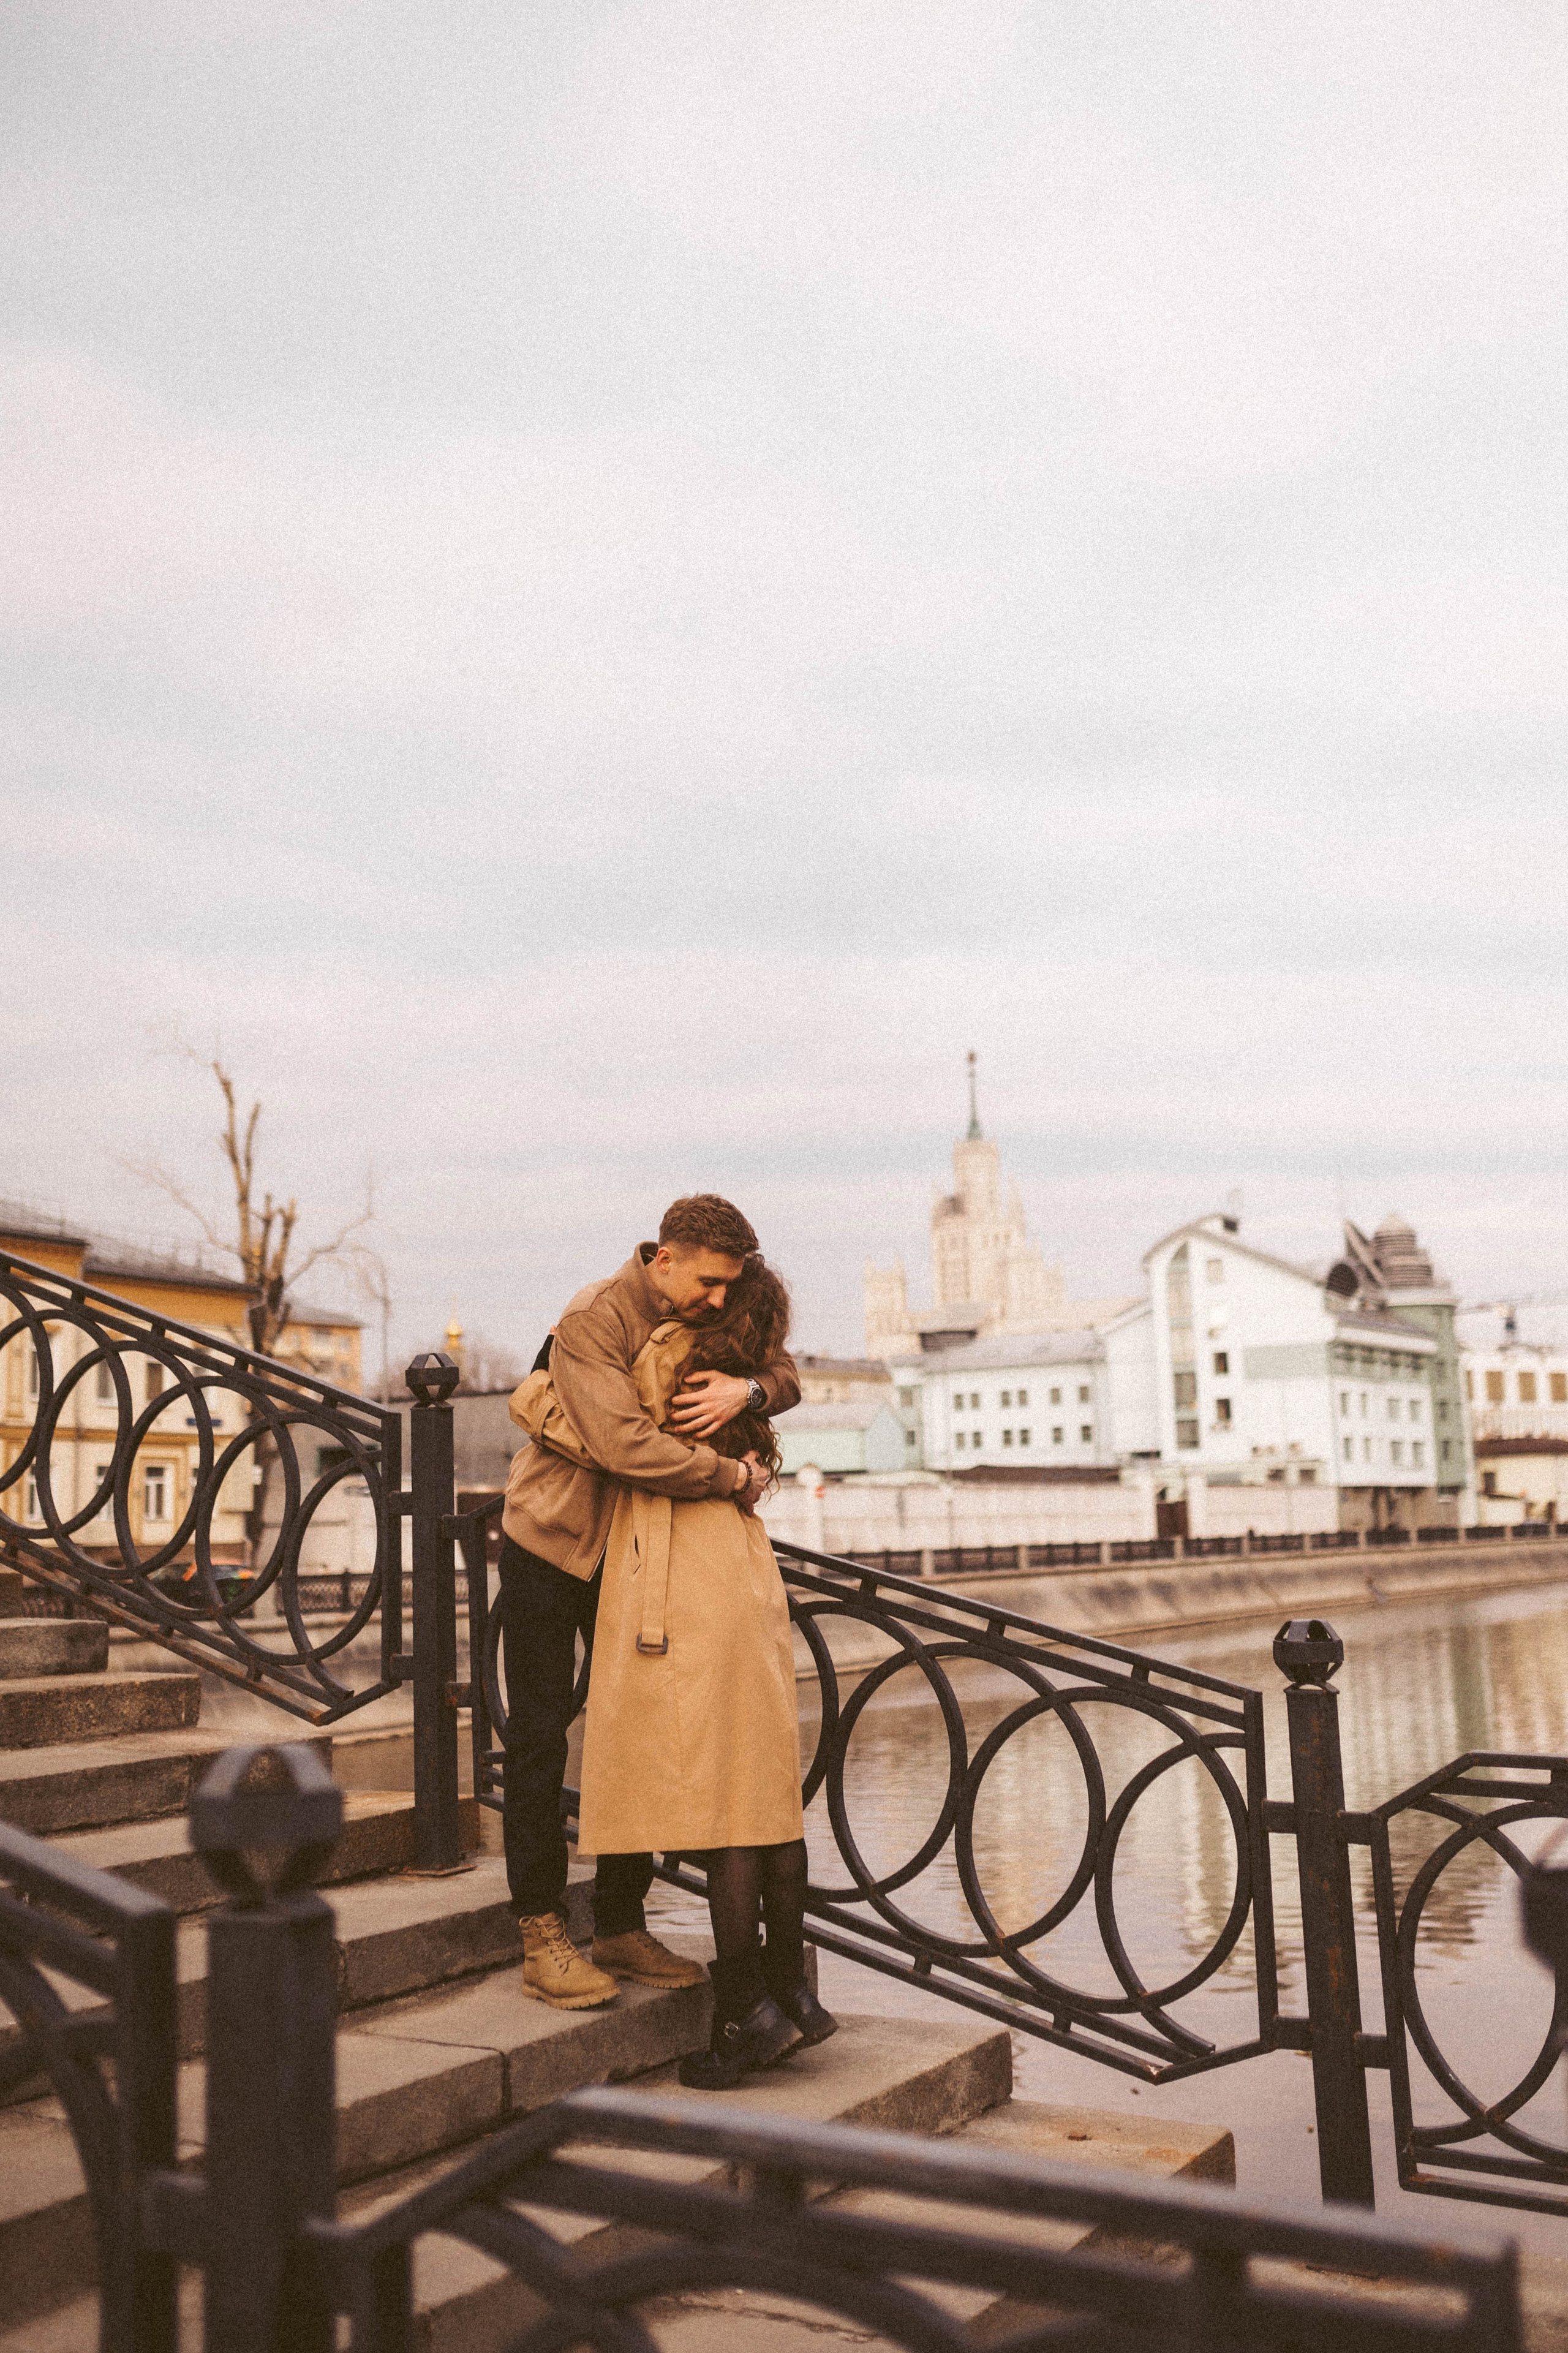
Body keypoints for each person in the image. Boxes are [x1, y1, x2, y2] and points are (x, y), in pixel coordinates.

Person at [516, 1254, 837, 2088]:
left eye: (727, 1293)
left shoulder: (683, 1352)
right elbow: (624, 1428)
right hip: (657, 1551)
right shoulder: (632, 1323)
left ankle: (730, 1999)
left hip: (679, 1558)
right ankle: (785, 1991)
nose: (716, 1299)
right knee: (753, 1786)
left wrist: (753, 1393)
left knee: (724, 1789)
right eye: (711, 1285)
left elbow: (620, 1430)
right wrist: (749, 1418)